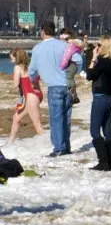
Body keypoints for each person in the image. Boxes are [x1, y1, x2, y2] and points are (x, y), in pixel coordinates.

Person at [28, 22, 82, 157]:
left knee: (56, 117)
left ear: (43, 32)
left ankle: (59, 147)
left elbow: (32, 71)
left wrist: (34, 80)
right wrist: (70, 73)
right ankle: (66, 145)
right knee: (66, 117)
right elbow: (79, 60)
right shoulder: (64, 45)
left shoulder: (37, 49)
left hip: (54, 86)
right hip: (68, 85)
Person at [84, 37, 111, 171]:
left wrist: (94, 58)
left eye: (99, 45)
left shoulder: (102, 62)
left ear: (105, 47)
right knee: (107, 130)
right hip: (109, 98)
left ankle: (103, 161)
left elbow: (89, 75)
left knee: (94, 131)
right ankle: (110, 161)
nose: (97, 47)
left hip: (100, 98)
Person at [6, 49, 43, 144]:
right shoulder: (31, 66)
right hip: (36, 95)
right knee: (16, 118)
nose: (10, 60)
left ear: (17, 58)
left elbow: (15, 84)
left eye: (12, 58)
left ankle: (50, 144)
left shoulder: (18, 67)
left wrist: (14, 76)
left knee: (37, 124)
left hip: (30, 96)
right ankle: (10, 142)